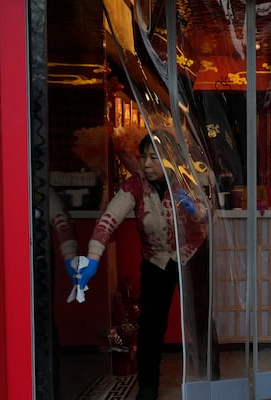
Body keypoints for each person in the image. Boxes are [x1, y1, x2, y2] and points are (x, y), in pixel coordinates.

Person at [66, 133, 220, 400]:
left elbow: (208, 213)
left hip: (192, 255)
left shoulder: (184, 180)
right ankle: (148, 386)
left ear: (169, 160)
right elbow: (107, 220)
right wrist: (92, 258)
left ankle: (213, 377)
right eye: (144, 157)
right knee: (150, 326)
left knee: (201, 319)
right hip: (155, 261)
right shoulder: (134, 187)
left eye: (154, 158)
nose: (147, 164)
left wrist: (194, 209)